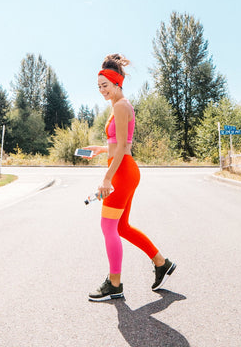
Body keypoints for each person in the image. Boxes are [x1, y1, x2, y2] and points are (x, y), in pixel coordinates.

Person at [85, 53, 176, 302]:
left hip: (123, 172)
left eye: (105, 85)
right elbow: (117, 145)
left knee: (108, 227)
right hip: (124, 169)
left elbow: (124, 149)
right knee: (121, 227)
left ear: (117, 83)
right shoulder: (119, 107)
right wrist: (100, 149)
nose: (102, 90)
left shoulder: (121, 106)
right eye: (99, 87)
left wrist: (107, 179)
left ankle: (115, 284)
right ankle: (161, 263)